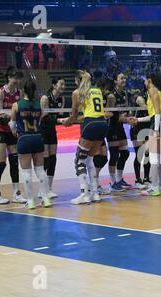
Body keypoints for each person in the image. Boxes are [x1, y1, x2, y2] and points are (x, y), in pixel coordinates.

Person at [61, 70, 108, 204]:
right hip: (102, 123)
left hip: (91, 124)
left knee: (79, 160)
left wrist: (67, 122)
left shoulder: (77, 92)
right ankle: (95, 193)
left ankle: (84, 194)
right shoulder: (97, 90)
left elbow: (74, 115)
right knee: (90, 159)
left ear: (77, 80)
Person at [9, 79, 52, 209]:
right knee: (40, 170)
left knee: (27, 172)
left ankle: (31, 201)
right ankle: (45, 199)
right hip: (37, 137)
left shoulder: (16, 105)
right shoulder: (39, 104)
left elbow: (12, 125)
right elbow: (40, 121)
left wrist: (16, 133)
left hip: (24, 138)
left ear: (23, 90)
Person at [0, 67, 26, 205]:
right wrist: (12, 119)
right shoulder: (0, 92)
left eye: (18, 78)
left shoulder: (20, 93)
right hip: (0, 129)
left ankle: (16, 193)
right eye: (15, 77)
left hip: (12, 130)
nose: (17, 80)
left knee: (14, 161)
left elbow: (21, 112)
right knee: (1, 163)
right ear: (9, 77)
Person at [140, 74, 161, 196]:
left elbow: (157, 111)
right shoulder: (160, 92)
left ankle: (154, 187)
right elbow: (155, 113)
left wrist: (156, 129)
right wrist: (138, 119)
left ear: (149, 80)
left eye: (145, 80)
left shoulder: (152, 90)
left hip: (158, 124)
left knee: (153, 158)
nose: (144, 82)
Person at [40, 77, 66, 198]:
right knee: (45, 159)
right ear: (54, 85)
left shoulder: (62, 99)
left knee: (52, 158)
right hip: (43, 130)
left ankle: (49, 188)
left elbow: (59, 117)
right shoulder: (45, 98)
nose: (64, 86)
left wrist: (69, 120)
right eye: (61, 84)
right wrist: (61, 120)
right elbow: (45, 117)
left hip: (52, 130)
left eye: (64, 84)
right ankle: (42, 189)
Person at [108, 73, 135, 191]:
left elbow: (124, 112)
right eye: (121, 78)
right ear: (115, 81)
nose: (124, 80)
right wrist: (125, 119)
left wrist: (129, 117)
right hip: (111, 127)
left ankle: (119, 180)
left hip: (120, 127)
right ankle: (113, 182)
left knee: (125, 153)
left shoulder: (125, 94)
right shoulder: (111, 96)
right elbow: (109, 115)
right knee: (114, 155)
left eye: (124, 78)